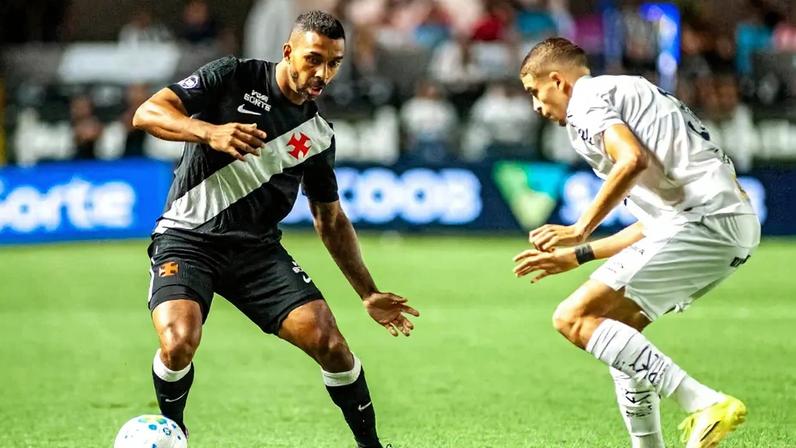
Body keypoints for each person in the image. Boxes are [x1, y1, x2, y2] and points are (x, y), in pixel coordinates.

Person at [132, 11, 419, 448]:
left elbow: (331, 219)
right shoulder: (233, 75)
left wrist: (367, 292)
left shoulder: (318, 135)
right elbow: (148, 113)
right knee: (178, 342)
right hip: (187, 239)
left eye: (335, 63)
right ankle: (175, 431)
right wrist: (208, 132)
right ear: (288, 52)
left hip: (257, 254)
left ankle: (372, 447)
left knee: (332, 344)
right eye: (314, 59)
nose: (323, 73)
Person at [512, 38, 758, 448]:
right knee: (618, 332)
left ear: (557, 81)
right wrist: (579, 255)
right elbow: (656, 222)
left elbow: (631, 160)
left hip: (706, 220)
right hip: (721, 221)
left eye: (535, 93)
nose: (537, 106)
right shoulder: (625, 92)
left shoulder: (587, 100)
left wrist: (580, 229)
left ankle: (704, 403)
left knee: (572, 317)